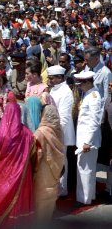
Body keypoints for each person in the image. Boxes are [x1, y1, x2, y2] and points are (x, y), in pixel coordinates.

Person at [0, 102, 35, 228]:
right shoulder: (27, 132)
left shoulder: (2, 133)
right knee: (19, 198)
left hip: (4, 172)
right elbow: (32, 150)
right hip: (22, 173)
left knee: (1, 195)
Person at [34, 99, 64, 222]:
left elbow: (35, 152)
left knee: (41, 193)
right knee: (51, 191)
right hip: (56, 166)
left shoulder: (40, 133)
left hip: (43, 168)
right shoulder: (59, 130)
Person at [74, 71, 102, 205]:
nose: (79, 86)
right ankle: (87, 197)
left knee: (85, 170)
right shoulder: (88, 94)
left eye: (81, 83)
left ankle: (84, 199)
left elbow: (94, 121)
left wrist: (87, 142)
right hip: (84, 139)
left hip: (88, 141)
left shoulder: (94, 96)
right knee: (85, 169)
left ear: (88, 82)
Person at [48, 65, 75, 197]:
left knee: (61, 160)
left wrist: (56, 133)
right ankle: (56, 186)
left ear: (59, 77)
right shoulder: (54, 89)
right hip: (52, 130)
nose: (49, 80)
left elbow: (63, 117)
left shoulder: (65, 91)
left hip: (61, 132)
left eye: (52, 78)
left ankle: (62, 189)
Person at [84, 46, 112, 113]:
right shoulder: (87, 68)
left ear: (96, 59)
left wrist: (102, 116)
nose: (85, 62)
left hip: (97, 111)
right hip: (86, 108)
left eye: (87, 60)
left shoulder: (106, 73)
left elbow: (106, 97)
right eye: (85, 59)